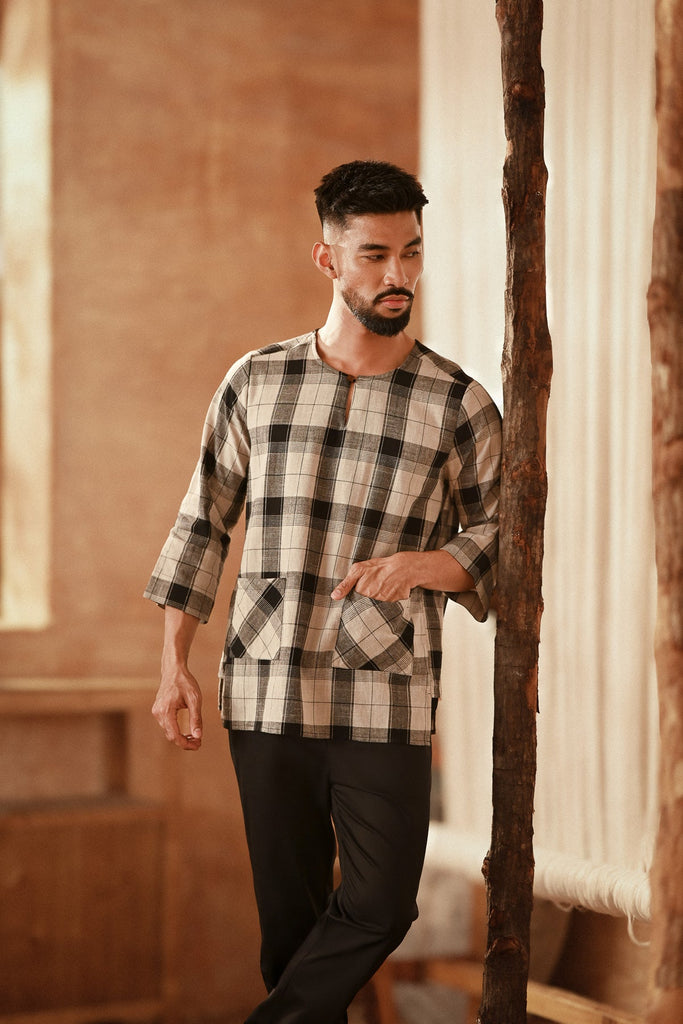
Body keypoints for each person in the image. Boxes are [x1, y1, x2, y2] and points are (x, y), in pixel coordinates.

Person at [144, 159, 502, 1023]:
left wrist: (429, 565)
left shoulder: (458, 404)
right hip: (264, 687)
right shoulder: (255, 381)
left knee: (380, 906)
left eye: (410, 253)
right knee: (291, 933)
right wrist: (173, 663)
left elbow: (505, 532)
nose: (397, 274)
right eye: (374, 255)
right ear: (328, 258)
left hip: (385, 691)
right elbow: (203, 521)